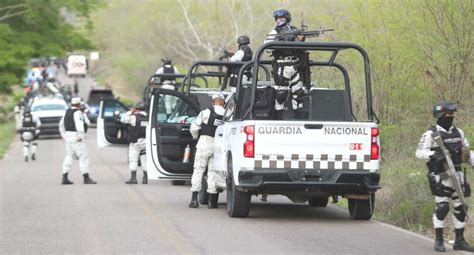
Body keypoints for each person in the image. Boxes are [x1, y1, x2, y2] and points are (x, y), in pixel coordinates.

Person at [416, 100, 474, 252]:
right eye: (448, 114)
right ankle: (439, 240)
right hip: (440, 176)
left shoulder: (458, 132)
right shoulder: (431, 134)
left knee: (460, 207)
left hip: (458, 174)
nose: (451, 117)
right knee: (442, 207)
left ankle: (460, 241)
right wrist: (434, 154)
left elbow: (467, 152)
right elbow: (419, 153)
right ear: (440, 115)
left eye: (452, 114)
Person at [264, 9, 310, 119]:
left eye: (282, 18)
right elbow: (267, 47)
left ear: (287, 18)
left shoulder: (295, 30)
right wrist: (281, 40)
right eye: (278, 18)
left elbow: (301, 44)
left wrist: (300, 39)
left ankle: (298, 117)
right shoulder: (275, 31)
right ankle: (278, 117)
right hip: (282, 65)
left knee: (299, 93)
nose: (280, 20)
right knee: (281, 93)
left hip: (296, 65)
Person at [189, 93, 225, 209]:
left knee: (198, 170)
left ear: (213, 102)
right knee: (213, 172)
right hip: (219, 144)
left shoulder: (205, 112)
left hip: (204, 142)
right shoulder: (227, 114)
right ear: (223, 102)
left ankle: (194, 200)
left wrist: (195, 137)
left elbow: (194, 127)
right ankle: (212, 202)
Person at [59, 97, 97, 185]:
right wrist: (81, 136)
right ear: (79, 104)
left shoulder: (67, 112)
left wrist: (64, 136)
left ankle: (65, 177)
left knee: (69, 156)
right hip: (76, 137)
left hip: (68, 137)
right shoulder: (78, 112)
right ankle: (86, 178)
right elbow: (80, 125)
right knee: (83, 157)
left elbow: (61, 125)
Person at [121, 102, 148, 184]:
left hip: (136, 142)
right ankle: (145, 178)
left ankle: (133, 178)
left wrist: (130, 112)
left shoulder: (134, 117)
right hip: (146, 143)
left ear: (136, 109)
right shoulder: (149, 117)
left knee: (133, 160)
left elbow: (123, 120)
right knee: (144, 160)